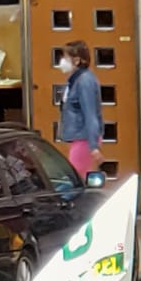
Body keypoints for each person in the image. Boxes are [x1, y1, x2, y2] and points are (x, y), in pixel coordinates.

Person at [56, 40, 105, 179]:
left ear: (76, 60)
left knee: (74, 179)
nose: (62, 61)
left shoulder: (84, 82)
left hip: (84, 139)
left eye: (65, 58)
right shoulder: (75, 81)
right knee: (76, 177)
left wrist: (93, 146)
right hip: (80, 138)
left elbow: (90, 114)